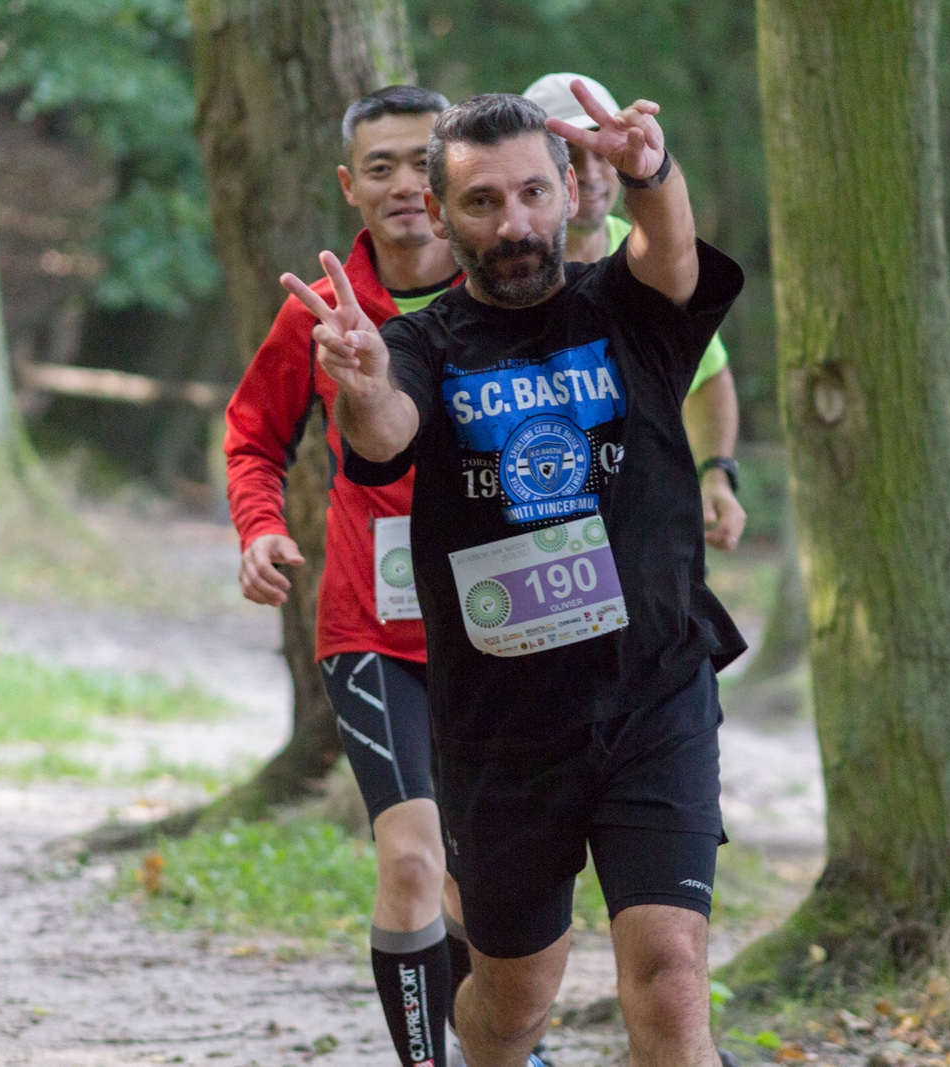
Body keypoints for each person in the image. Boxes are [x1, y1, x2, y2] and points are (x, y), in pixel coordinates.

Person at [282, 88, 745, 1067]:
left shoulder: (627, 310)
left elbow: (672, 256)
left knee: (668, 971)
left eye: (533, 192)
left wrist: (654, 172)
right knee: (511, 995)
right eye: (484, 202)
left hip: (654, 692)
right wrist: (359, 383)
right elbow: (384, 436)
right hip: (504, 723)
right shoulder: (418, 348)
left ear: (570, 187)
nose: (516, 222)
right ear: (445, 217)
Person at [224, 86, 471, 1067]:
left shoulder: (511, 292)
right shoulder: (320, 315)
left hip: (507, 625)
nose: (406, 185)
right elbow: (251, 435)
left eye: (424, 161)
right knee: (412, 857)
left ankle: (493, 1038)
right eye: (382, 167)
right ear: (349, 185)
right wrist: (258, 528)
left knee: (486, 880)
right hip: (373, 631)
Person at [524, 73, 746, 553]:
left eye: (599, 152)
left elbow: (710, 376)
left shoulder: (649, 254)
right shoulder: (495, 269)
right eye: (568, 156)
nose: (588, 172)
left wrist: (716, 475)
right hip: (528, 529)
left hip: (641, 529)